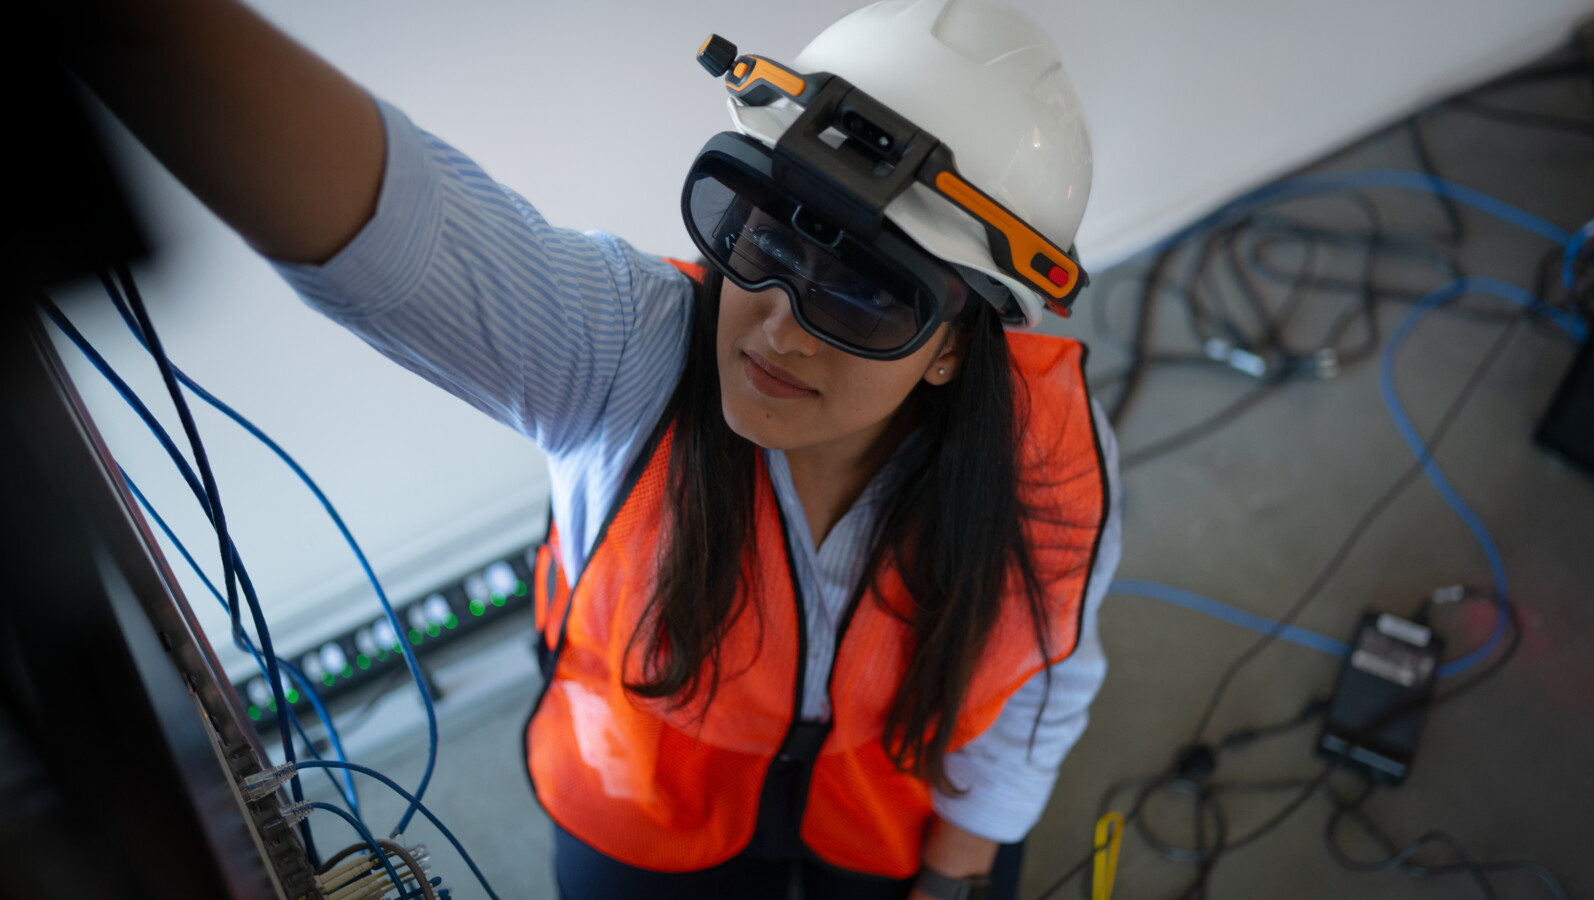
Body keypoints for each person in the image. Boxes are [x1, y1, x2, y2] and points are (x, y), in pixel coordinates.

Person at [71, 0, 1121, 897]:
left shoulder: (1052, 464)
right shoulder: (628, 353)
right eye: (768, 235)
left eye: (865, 293)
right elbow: (395, 237)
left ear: (953, 346)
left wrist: (957, 869)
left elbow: (1040, 682)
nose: (778, 324)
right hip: (646, 798)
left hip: (882, 796)